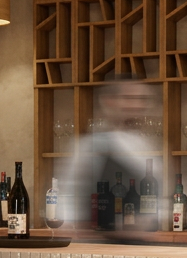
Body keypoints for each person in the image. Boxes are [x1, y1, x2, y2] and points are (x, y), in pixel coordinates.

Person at [62, 79, 162, 243]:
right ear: (109, 101)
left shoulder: (143, 144)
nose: (136, 105)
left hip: (139, 244)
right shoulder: (92, 145)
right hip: (99, 244)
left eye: (141, 99)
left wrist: (150, 220)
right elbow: (69, 197)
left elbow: (158, 196)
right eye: (129, 98)